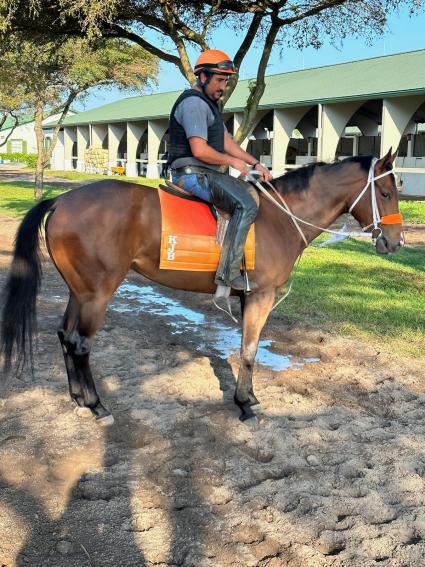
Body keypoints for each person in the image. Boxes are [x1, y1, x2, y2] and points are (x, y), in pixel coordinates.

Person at [168, 49, 273, 292]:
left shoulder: (210, 104)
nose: (223, 86)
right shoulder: (194, 103)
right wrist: (234, 163)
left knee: (251, 192)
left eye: (226, 81)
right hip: (191, 174)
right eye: (219, 80)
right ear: (202, 77)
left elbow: (226, 142)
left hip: (206, 173)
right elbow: (200, 150)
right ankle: (228, 273)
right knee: (246, 204)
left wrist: (254, 163)